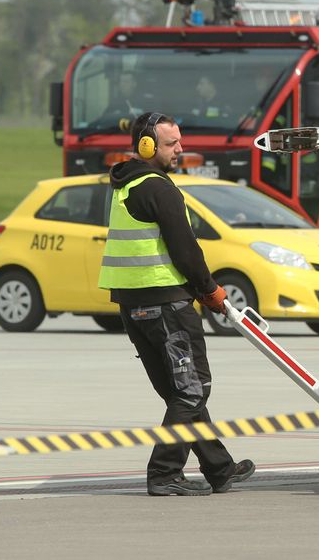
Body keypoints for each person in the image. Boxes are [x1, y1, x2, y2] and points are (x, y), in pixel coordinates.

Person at [98, 111, 255, 496]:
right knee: (193, 388)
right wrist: (210, 290)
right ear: (147, 145)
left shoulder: (125, 186)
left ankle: (219, 468)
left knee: (179, 391)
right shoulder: (159, 188)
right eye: (172, 144)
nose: (180, 150)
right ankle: (165, 473)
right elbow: (185, 249)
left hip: (134, 308)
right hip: (166, 303)